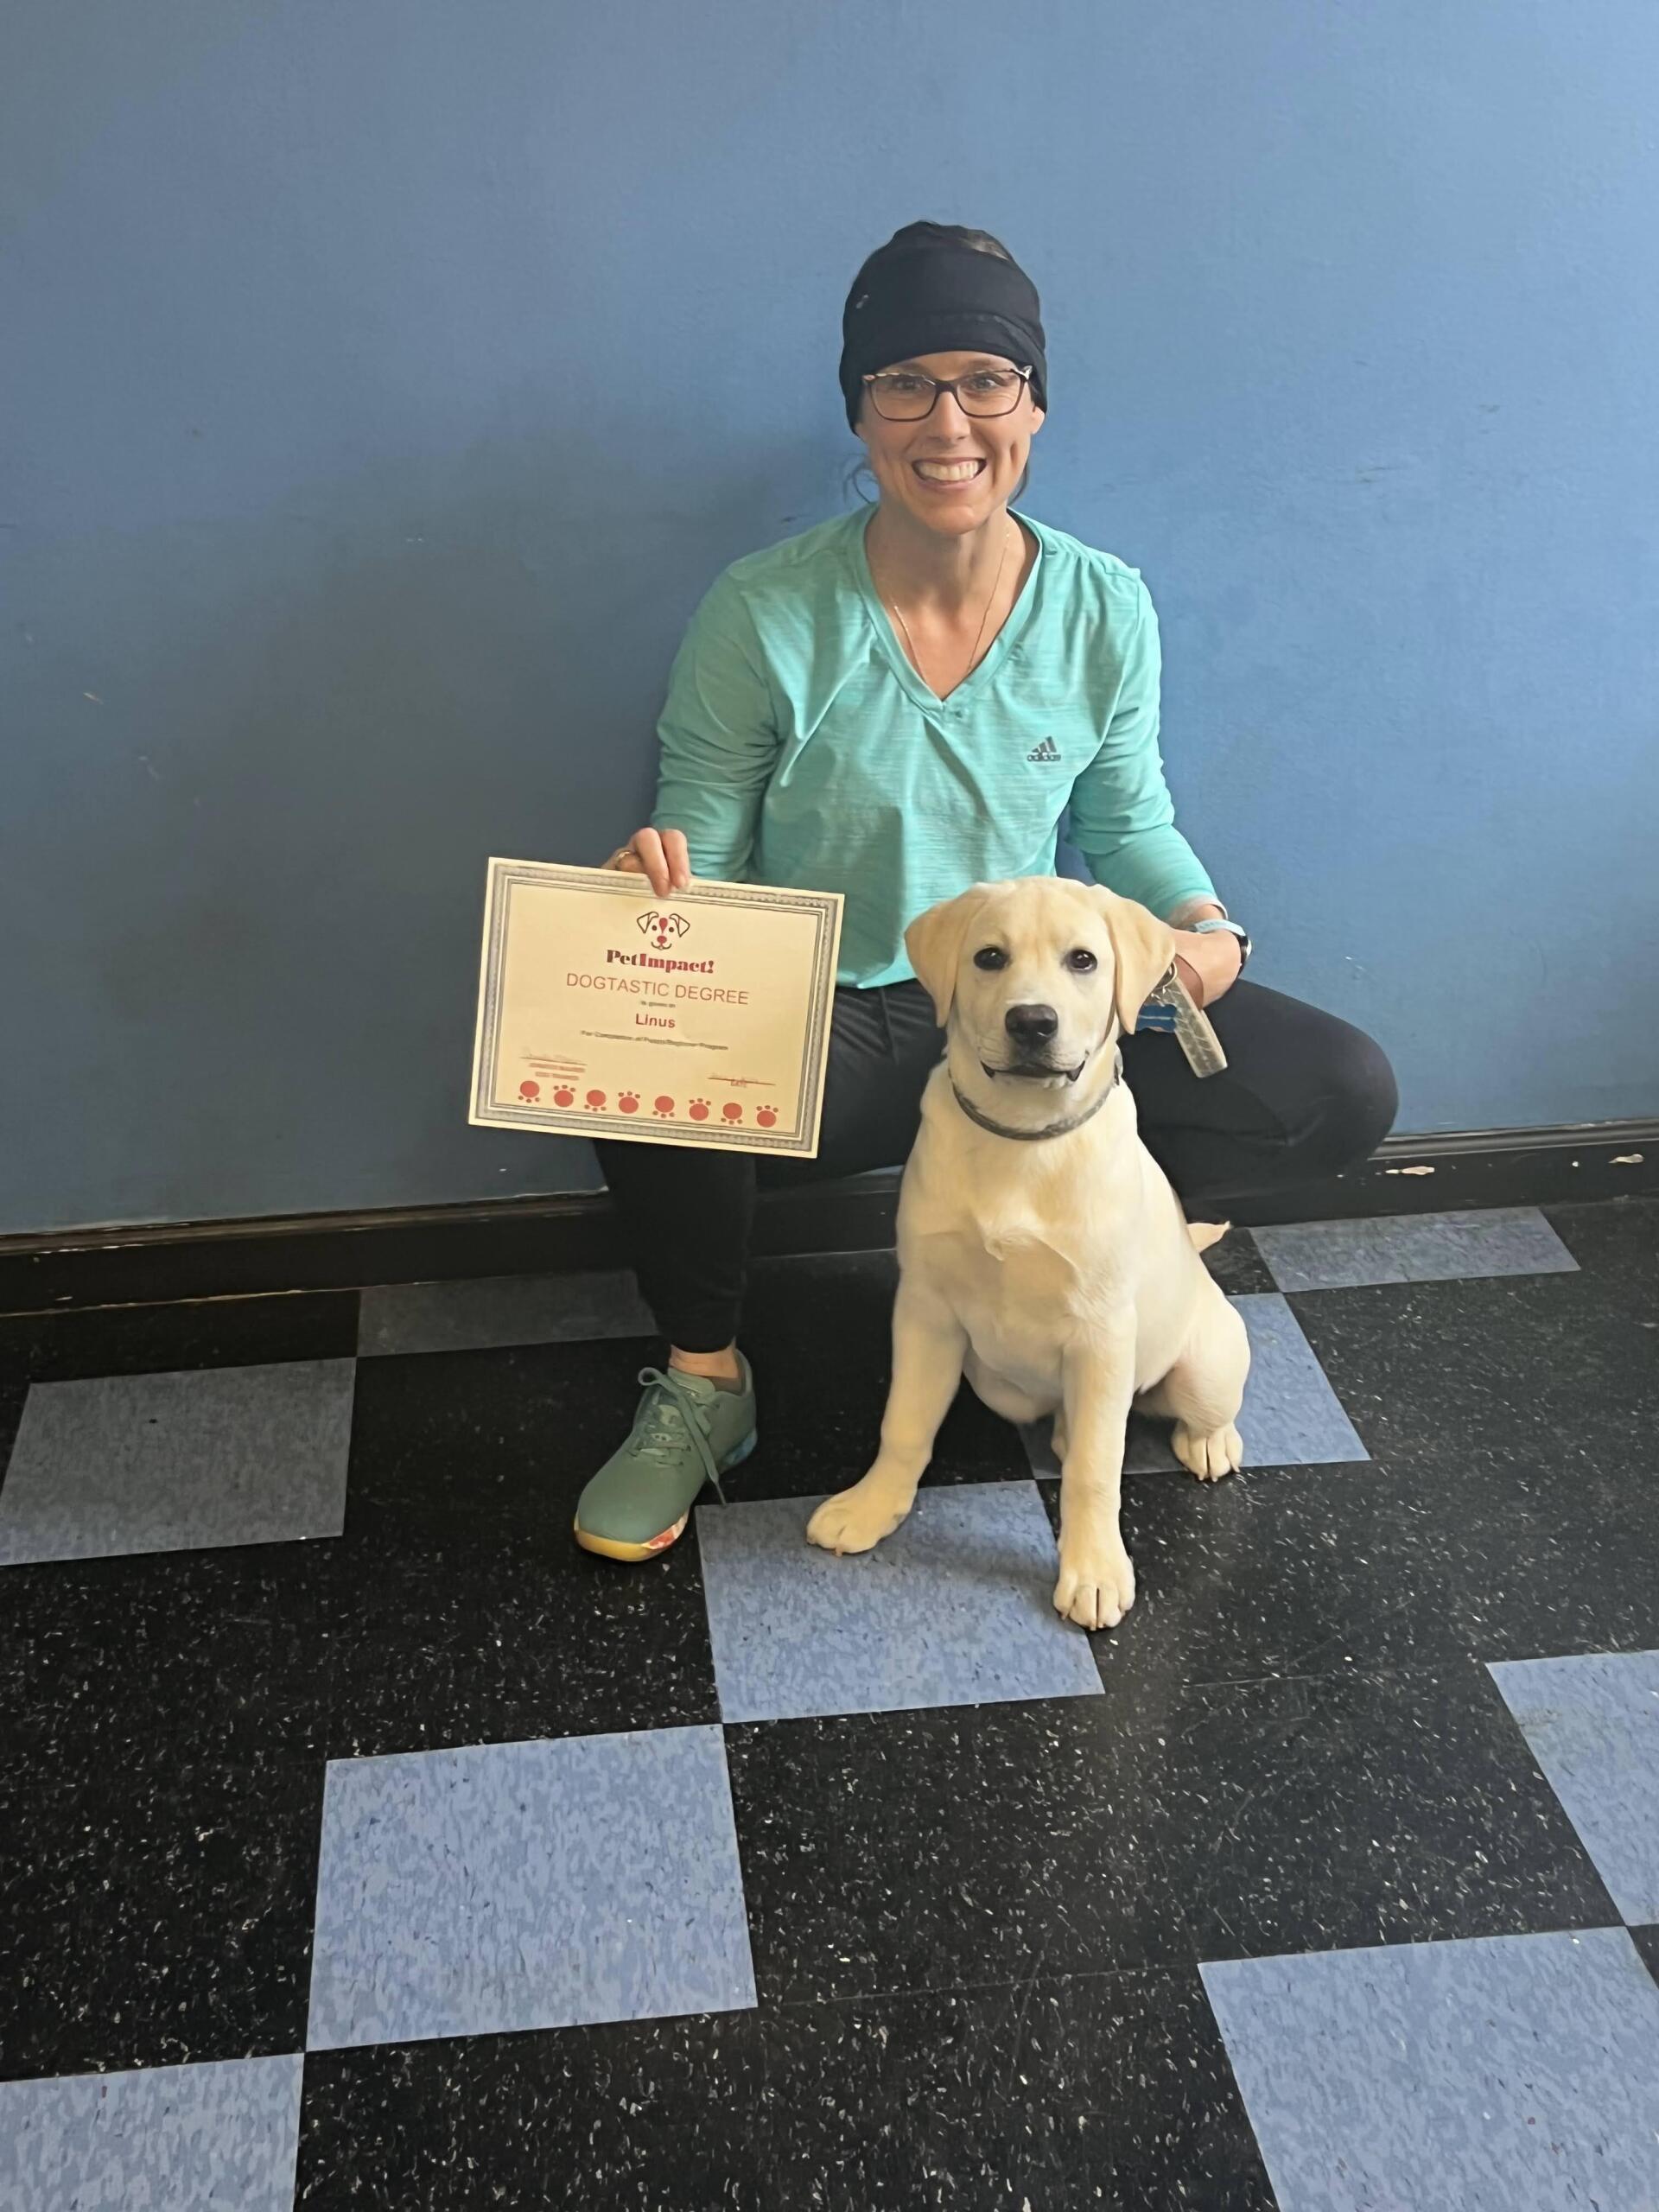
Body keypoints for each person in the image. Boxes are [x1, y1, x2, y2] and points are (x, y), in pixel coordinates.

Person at [575, 220, 1396, 1562]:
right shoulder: (763, 610)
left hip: (1038, 1001)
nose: (946, 421)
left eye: (984, 381)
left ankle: (1131, 1258)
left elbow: (1127, 822)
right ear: (859, 409)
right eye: (904, 382)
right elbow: (702, 836)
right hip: (833, 1011)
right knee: (635, 1073)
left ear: (1034, 405)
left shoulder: (1102, 605)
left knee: (1338, 1085)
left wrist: (1203, 926)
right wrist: (657, 893)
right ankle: (705, 1386)